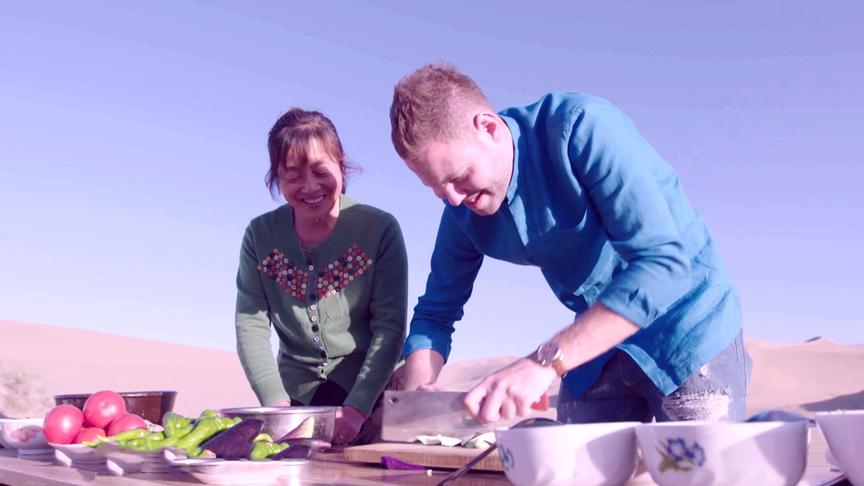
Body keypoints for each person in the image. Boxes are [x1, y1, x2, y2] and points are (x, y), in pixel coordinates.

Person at [388, 63, 750, 425]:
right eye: (436, 188)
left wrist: (544, 362)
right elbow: (436, 313)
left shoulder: (582, 127)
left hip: (686, 328)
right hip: (595, 345)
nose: (451, 199)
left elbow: (663, 267)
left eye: (460, 177)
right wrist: (418, 397)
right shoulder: (460, 207)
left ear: (489, 128)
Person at [235, 108, 407, 445]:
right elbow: (251, 325)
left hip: (372, 396)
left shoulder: (380, 230)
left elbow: (389, 326)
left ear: (340, 165)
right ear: (277, 177)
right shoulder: (259, 236)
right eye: (293, 175)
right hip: (295, 400)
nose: (310, 186)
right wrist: (276, 405)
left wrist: (357, 409)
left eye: (320, 170)